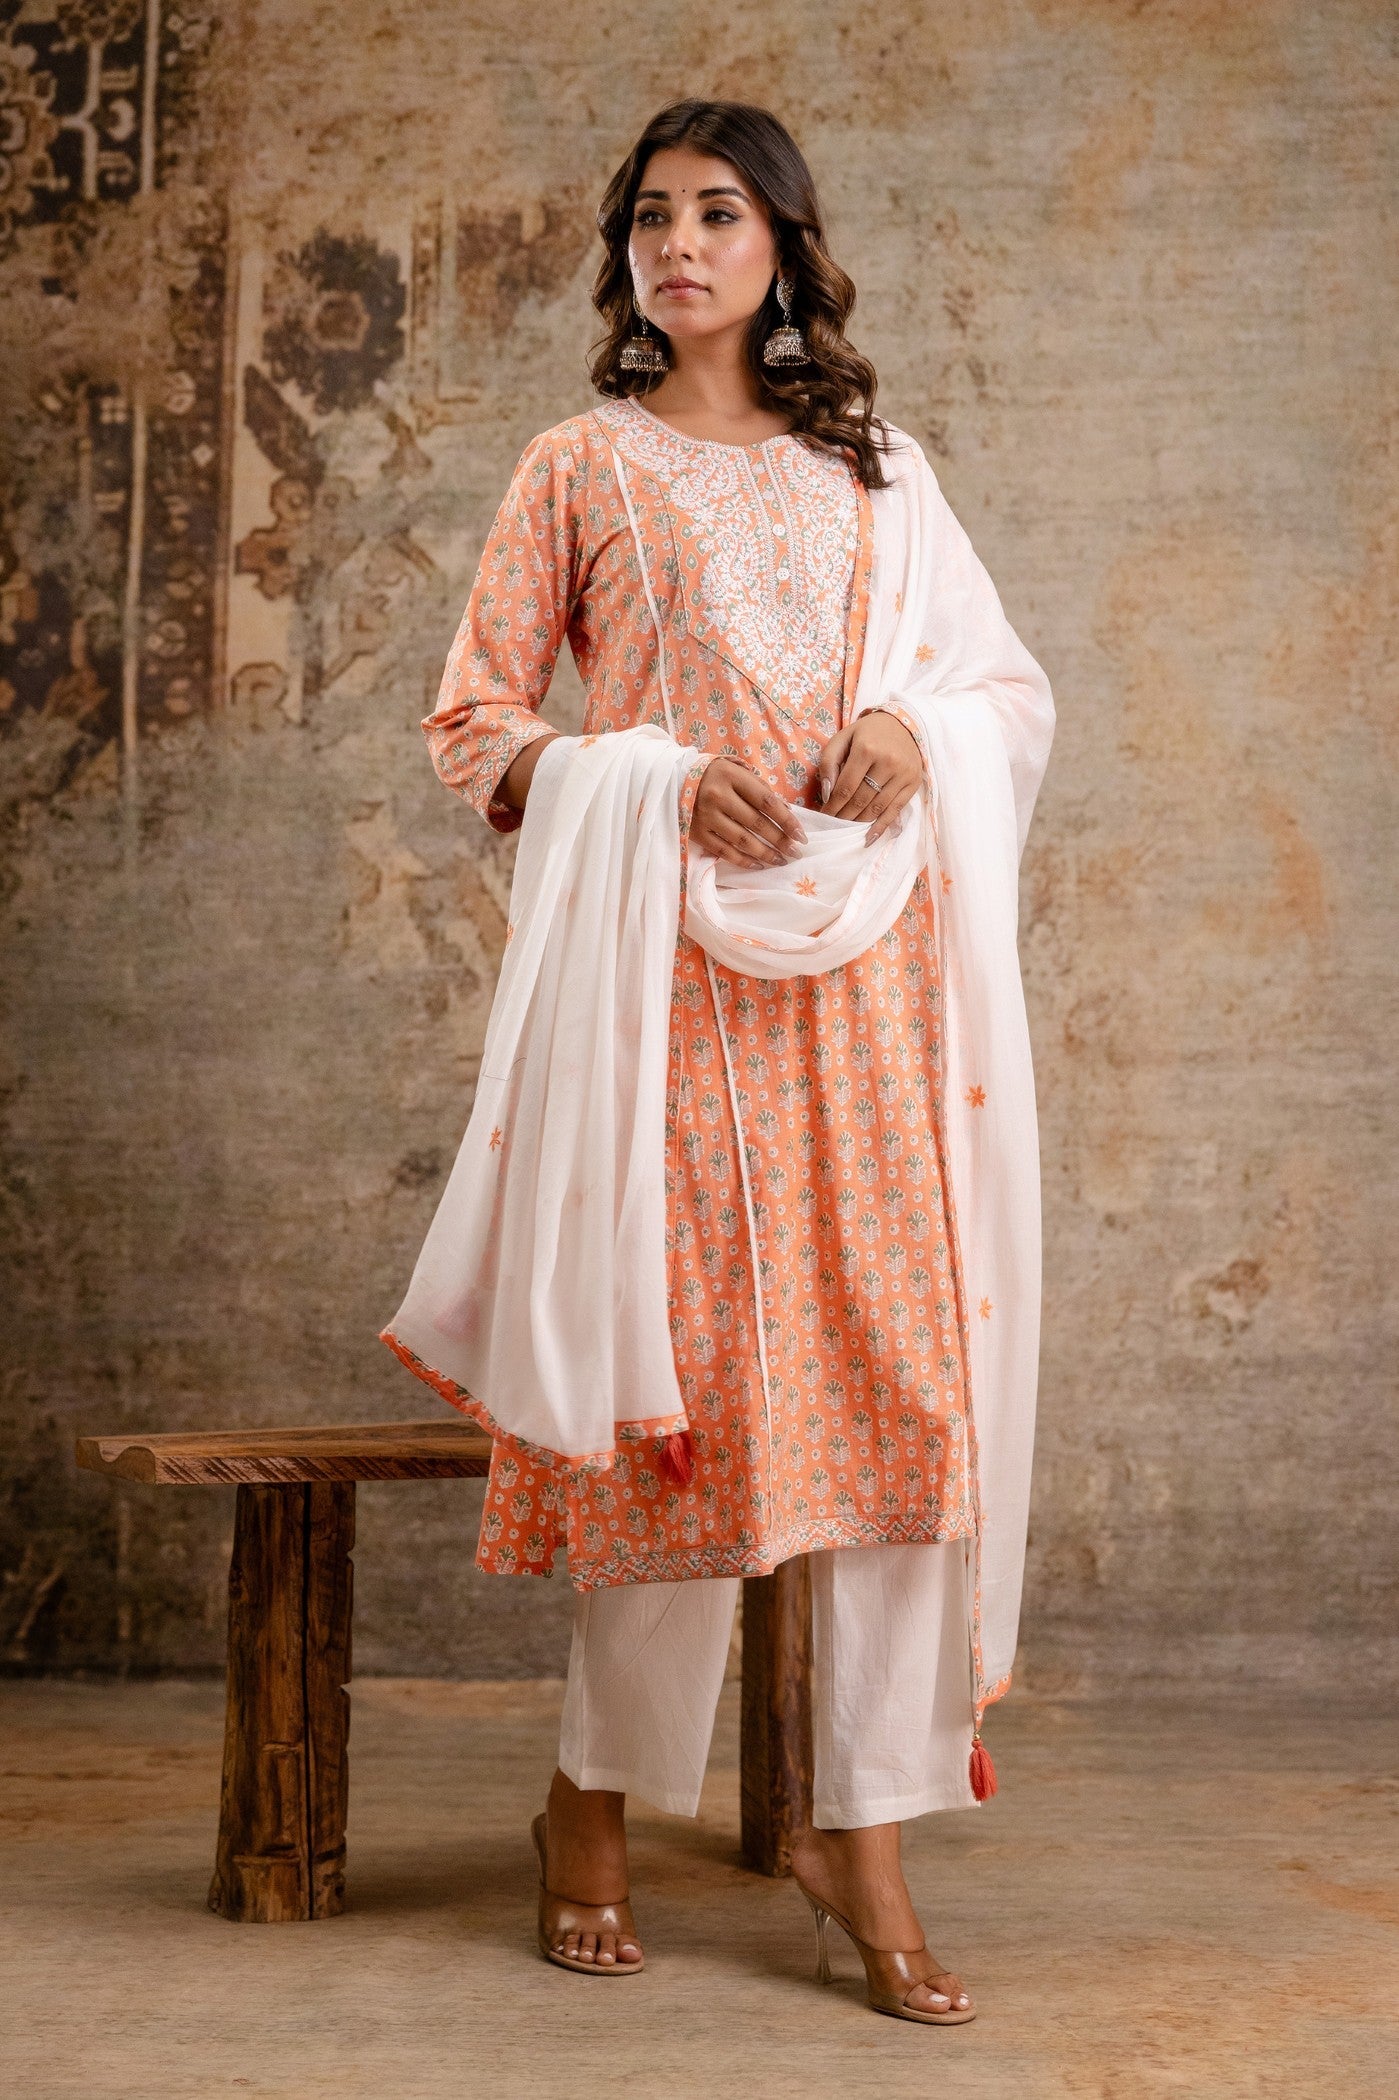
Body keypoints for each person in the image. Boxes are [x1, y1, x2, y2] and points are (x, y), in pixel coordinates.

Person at [383, 97, 1054, 2027]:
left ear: (784, 249)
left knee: (898, 1390)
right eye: (653, 220)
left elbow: (1001, 687)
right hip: (665, 989)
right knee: (695, 1398)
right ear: (626, 259)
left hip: (870, 989)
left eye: (721, 215)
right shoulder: (576, 467)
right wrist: (654, 787)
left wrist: (918, 741)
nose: (682, 247)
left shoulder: (880, 473)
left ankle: (871, 1829)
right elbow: (475, 724)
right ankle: (591, 1803)